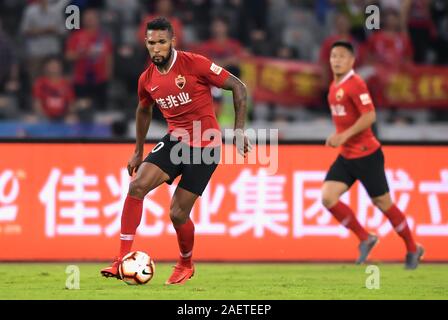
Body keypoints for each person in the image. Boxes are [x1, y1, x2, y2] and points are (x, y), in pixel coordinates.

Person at [100, 17, 250, 284]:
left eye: (161, 42)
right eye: (151, 43)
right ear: (145, 44)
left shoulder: (195, 63)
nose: (156, 48)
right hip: (175, 140)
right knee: (137, 187)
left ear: (172, 42)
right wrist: (137, 150)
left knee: (177, 213)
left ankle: (185, 263)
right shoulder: (146, 79)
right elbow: (143, 109)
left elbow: (238, 87)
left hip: (206, 147)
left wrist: (238, 131)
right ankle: (121, 258)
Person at [321, 41, 424, 269]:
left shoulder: (356, 84)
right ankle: (366, 238)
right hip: (347, 156)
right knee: (328, 197)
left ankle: (412, 247)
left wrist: (343, 136)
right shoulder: (333, 86)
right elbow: (348, 119)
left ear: (351, 61)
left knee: (383, 203)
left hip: (367, 155)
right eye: (333, 56)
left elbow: (369, 116)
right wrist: (337, 136)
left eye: (342, 56)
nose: (336, 60)